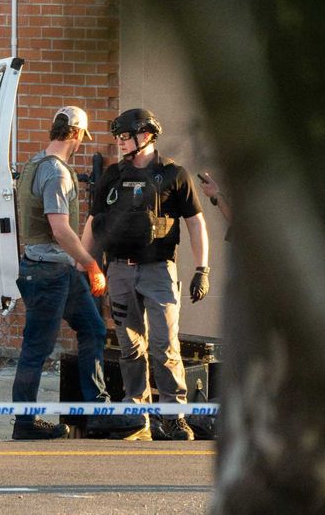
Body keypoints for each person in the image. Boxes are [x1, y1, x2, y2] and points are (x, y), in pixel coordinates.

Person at [83, 108, 210, 441]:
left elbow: (196, 223)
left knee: (164, 346)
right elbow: (93, 224)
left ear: (145, 135)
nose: (120, 143)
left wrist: (202, 269)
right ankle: (135, 413)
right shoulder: (111, 176)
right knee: (130, 348)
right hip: (120, 272)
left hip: (158, 271)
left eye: (125, 137)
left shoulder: (174, 174)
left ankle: (172, 417)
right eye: (118, 138)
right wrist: (85, 265)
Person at [10, 106, 108, 440]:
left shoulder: (33, 163)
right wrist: (91, 263)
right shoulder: (56, 173)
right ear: (77, 134)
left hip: (55, 270)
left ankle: (98, 410)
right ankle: (24, 423)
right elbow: (61, 229)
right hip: (47, 272)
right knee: (36, 348)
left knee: (93, 328)